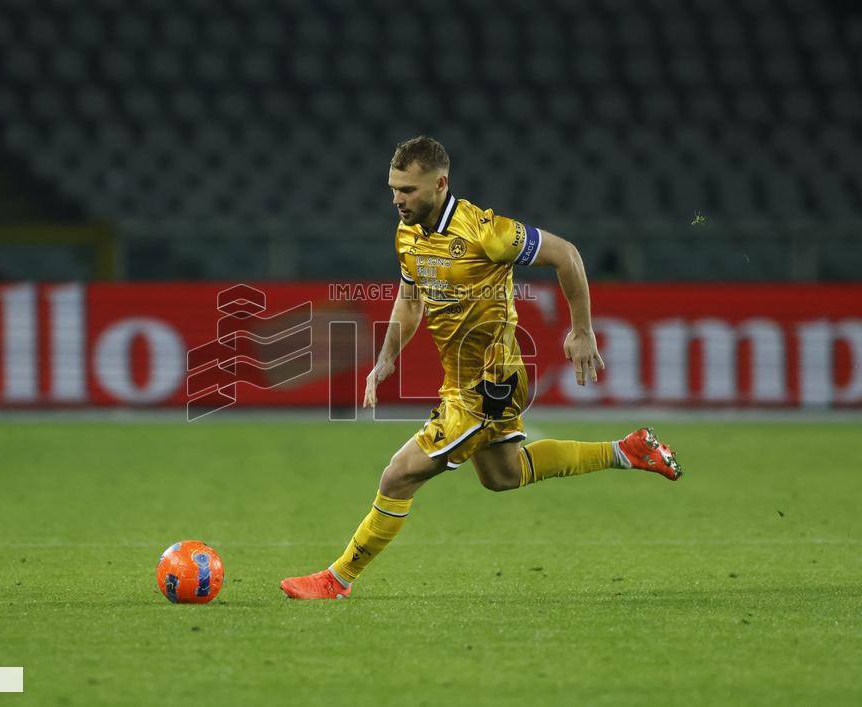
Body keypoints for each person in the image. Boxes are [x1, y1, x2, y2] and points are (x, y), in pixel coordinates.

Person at [280, 136, 683, 600]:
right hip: (459, 380)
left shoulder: (486, 232)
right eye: (393, 188)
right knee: (502, 475)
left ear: (440, 184)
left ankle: (337, 579)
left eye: (408, 190)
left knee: (398, 475)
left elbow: (566, 254)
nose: (397, 199)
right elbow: (411, 299)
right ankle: (628, 450)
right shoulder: (407, 233)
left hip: (492, 380)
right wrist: (387, 356)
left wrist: (582, 330)